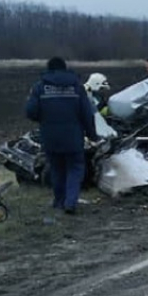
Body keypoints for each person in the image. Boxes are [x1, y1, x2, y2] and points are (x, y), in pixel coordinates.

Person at [26, 57, 97, 215]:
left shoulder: (40, 87)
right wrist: (92, 135)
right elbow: (87, 114)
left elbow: (30, 112)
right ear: (65, 69)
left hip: (50, 136)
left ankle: (59, 201)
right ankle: (70, 202)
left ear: (49, 69)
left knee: (57, 169)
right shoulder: (77, 87)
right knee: (75, 168)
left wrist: (44, 119)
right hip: (73, 136)